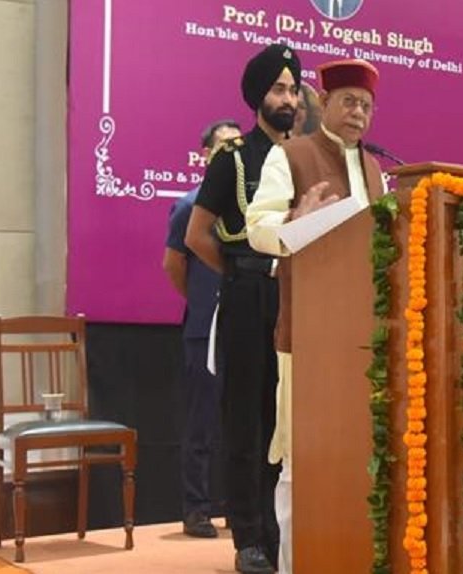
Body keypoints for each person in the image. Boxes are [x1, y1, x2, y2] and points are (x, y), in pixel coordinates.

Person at [245, 58, 387, 574]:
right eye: (348, 101)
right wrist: (294, 221)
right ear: (323, 103)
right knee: (303, 462)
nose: (358, 113)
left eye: (366, 105)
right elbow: (256, 228)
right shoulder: (291, 155)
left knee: (358, 460)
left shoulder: (375, 169)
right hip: (308, 336)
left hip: (366, 338)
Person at [185, 43, 302, 574]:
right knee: (247, 420)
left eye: (294, 90)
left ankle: (283, 533)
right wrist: (238, 275)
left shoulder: (302, 157)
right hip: (248, 296)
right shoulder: (233, 159)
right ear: (258, 96)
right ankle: (249, 538)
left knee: (287, 419)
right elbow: (197, 235)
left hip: (297, 298)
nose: (289, 99)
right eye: (278, 89)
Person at [162, 119, 241, 539]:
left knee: (243, 420)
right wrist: (200, 299)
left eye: (236, 146)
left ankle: (239, 507)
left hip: (244, 325)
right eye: (222, 147)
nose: (230, 154)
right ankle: (196, 509)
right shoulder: (189, 206)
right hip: (204, 327)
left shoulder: (246, 208)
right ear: (206, 155)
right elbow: (173, 265)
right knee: (202, 422)